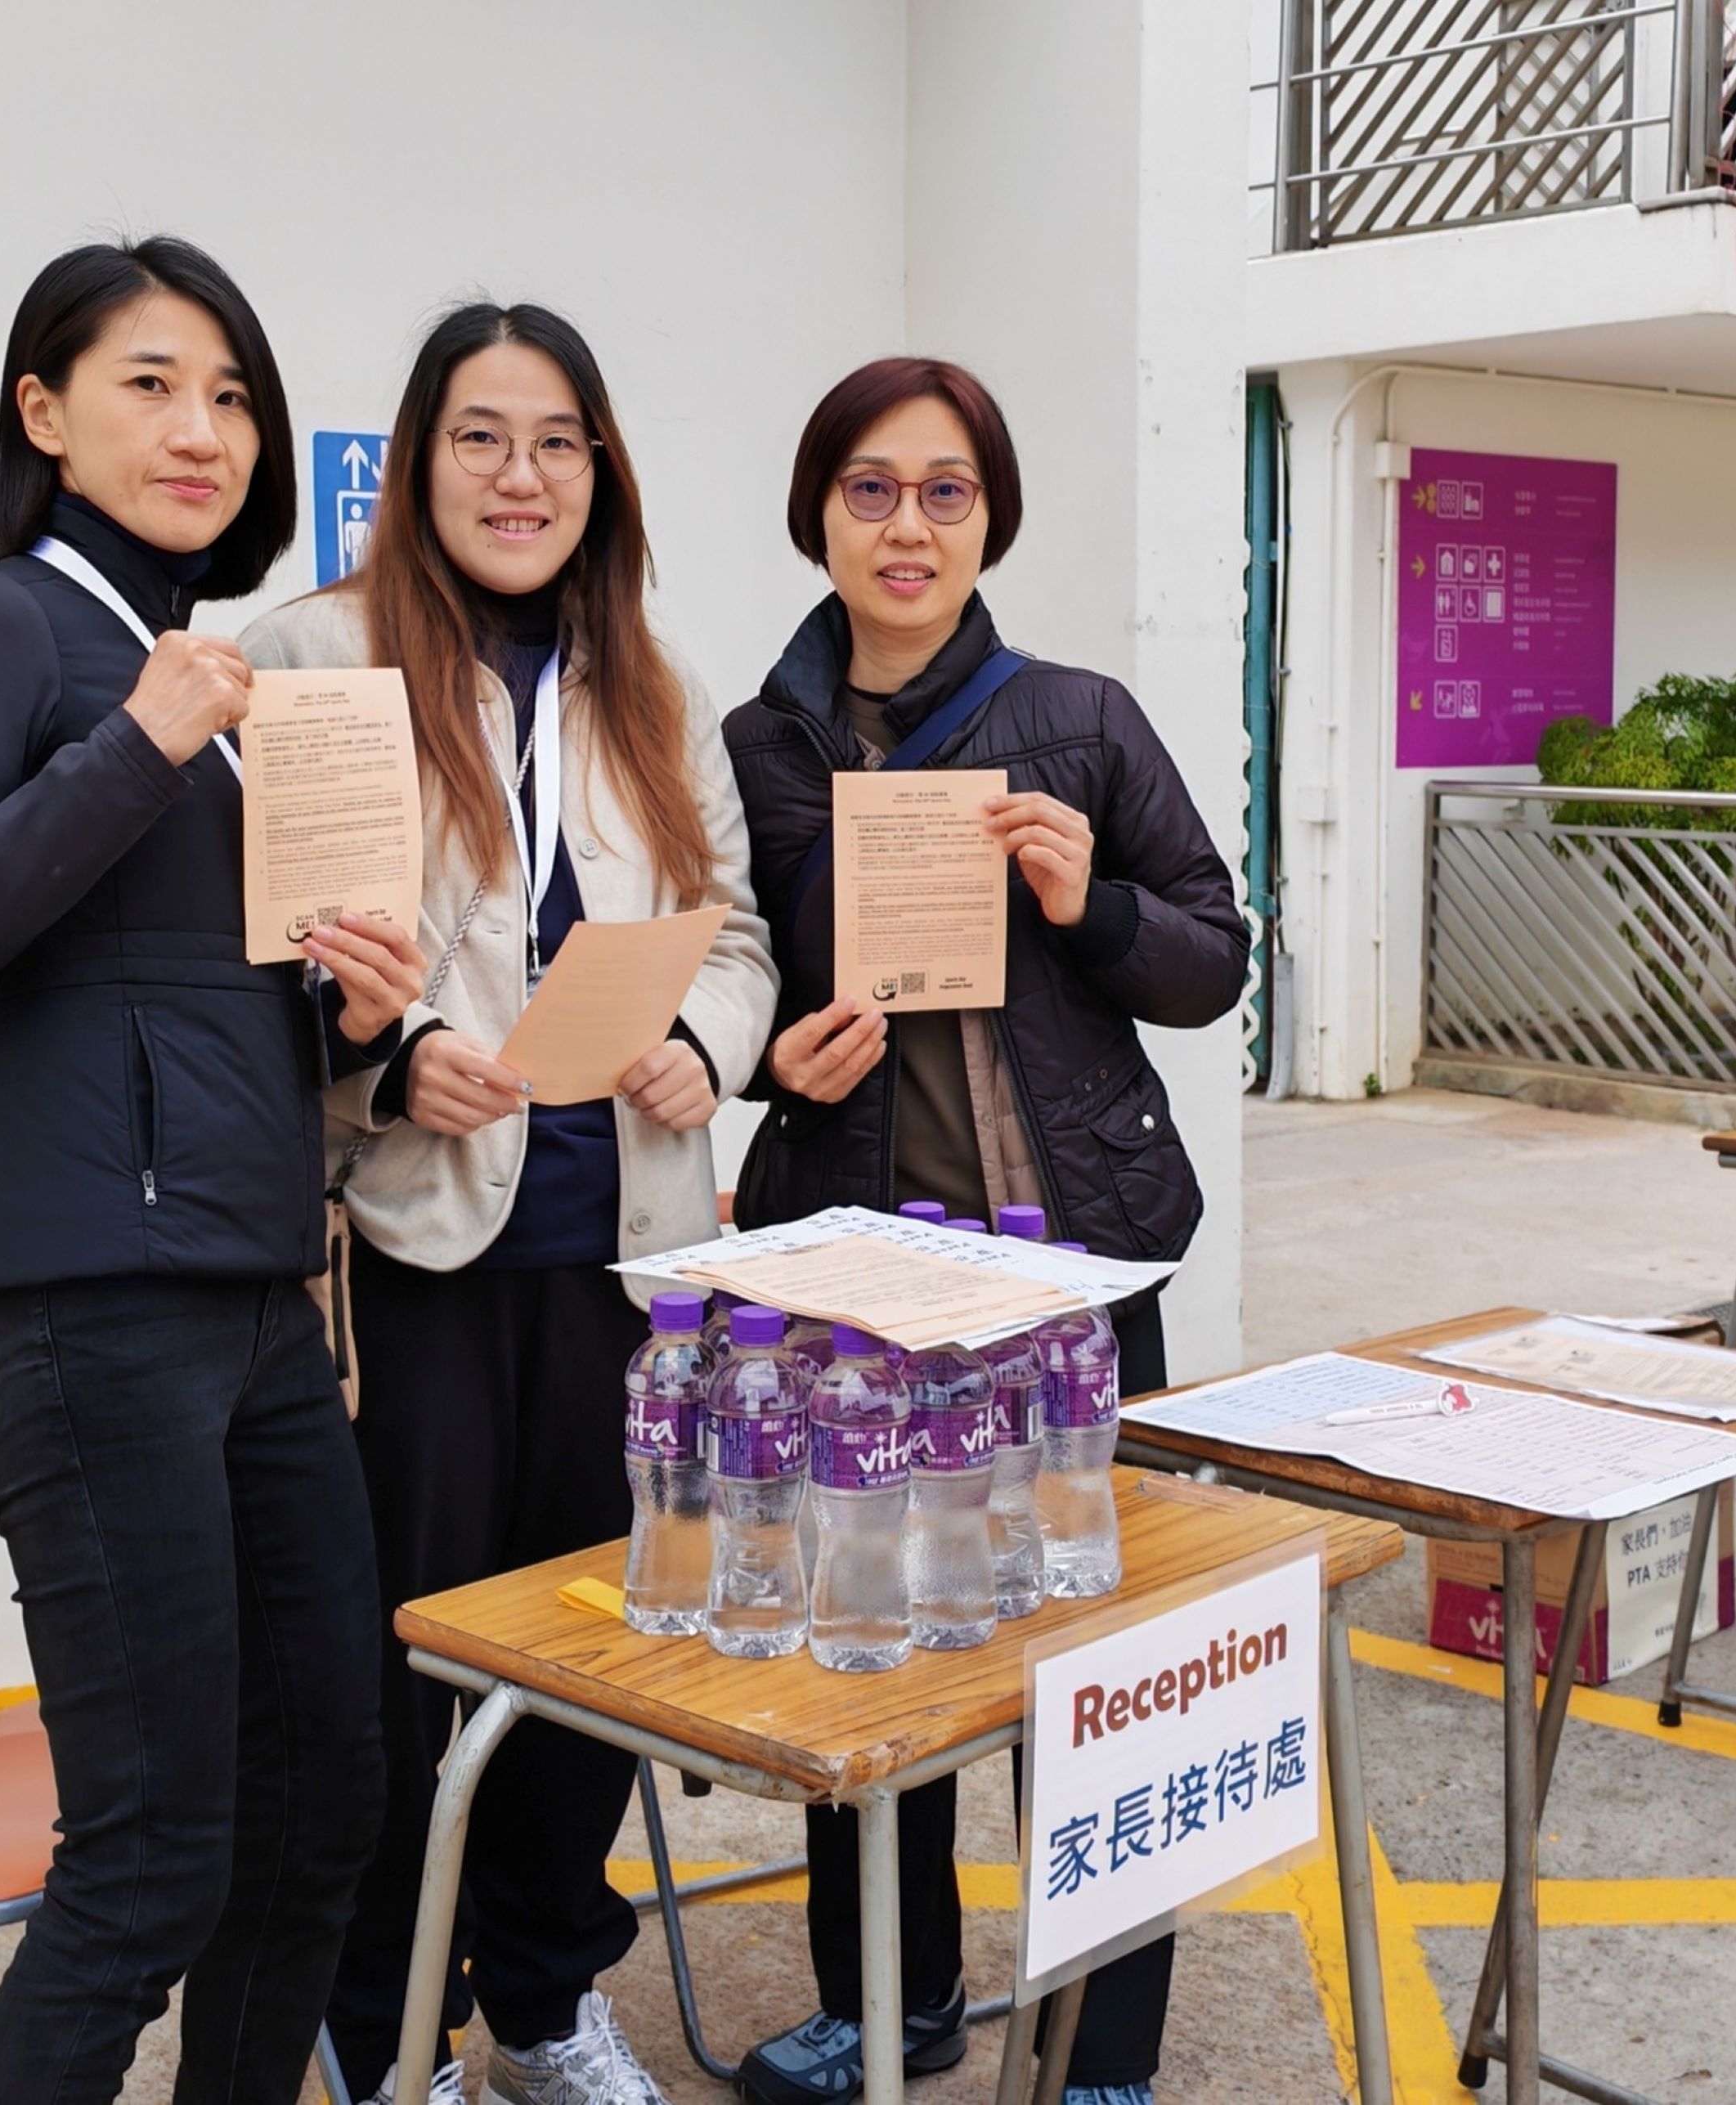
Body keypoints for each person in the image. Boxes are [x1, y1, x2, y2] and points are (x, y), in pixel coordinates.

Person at [0, 236, 428, 2105]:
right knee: (149, 1858)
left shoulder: (214, 686)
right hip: (86, 1313)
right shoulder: (0, 627)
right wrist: (136, 749)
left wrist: (349, 1020)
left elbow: (164, 1001)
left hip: (251, 1300)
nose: (200, 430)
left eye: (229, 395)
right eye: (149, 384)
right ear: (42, 410)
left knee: (320, 1807)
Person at [240, 303, 776, 2105]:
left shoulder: (657, 686)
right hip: (412, 1257)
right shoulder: (316, 657)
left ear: (599, 471)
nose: (519, 476)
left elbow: (737, 931)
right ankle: (381, 2034)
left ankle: (544, 2007)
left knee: (593, 1654)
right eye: (480, 436)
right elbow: (262, 967)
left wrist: (703, 1042)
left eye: (556, 441)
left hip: (626, 1263)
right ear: (417, 462)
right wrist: (390, 1066)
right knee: (393, 1672)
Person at [718, 357, 1244, 2105]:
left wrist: (1087, 901)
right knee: (871, 1644)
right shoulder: (756, 748)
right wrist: (767, 1066)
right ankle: (888, 2002)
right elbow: (734, 978)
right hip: (859, 1276)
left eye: (945, 491)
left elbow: (1212, 955)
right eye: (868, 488)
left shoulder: (1080, 719)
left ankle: (1099, 2049)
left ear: (988, 520)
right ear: (816, 513)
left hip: (1066, 1269)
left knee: (1096, 1654)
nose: (906, 526)